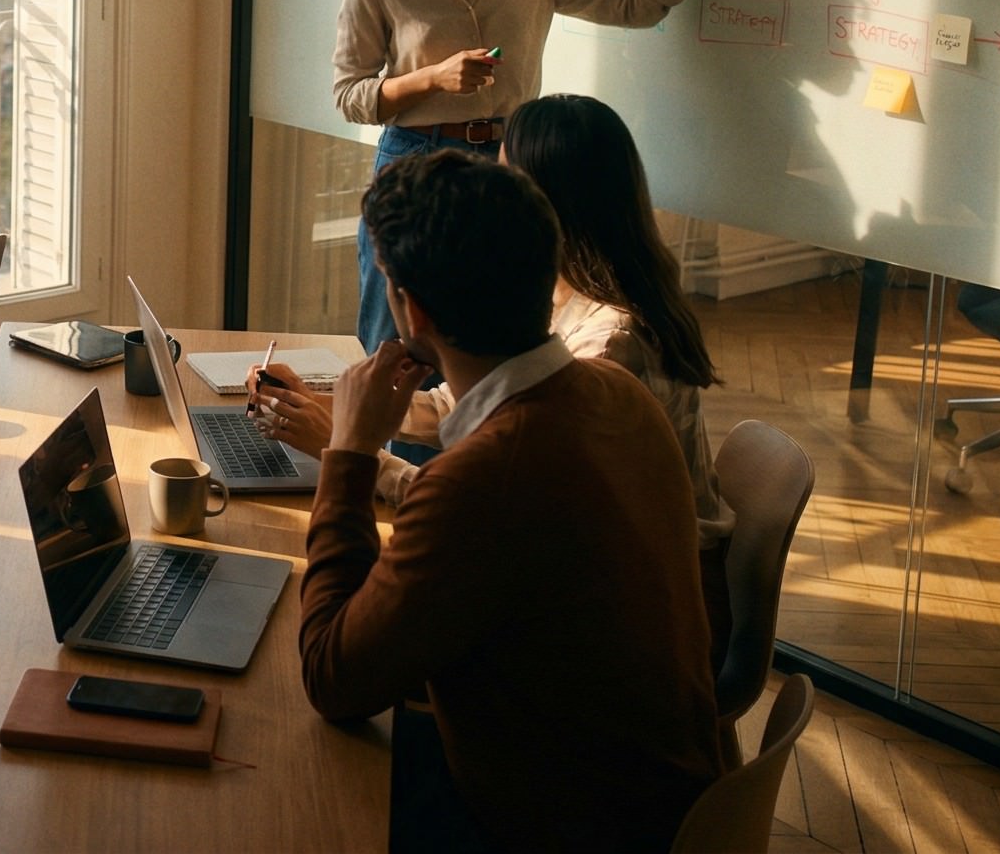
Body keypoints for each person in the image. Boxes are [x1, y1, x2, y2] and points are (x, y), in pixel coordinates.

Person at [297, 149, 722, 853]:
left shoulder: (481, 479)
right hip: (660, 803)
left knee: (292, 779)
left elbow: (330, 678)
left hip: (559, 828)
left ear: (413, 311)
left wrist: (348, 455)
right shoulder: (621, 394)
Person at [332, 0, 764, 349]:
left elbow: (634, 4)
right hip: (414, 162)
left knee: (499, 338)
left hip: (509, 164)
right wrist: (433, 78)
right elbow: (350, 95)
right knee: (398, 343)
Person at [251, 93, 735, 548]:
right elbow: (469, 406)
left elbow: (497, 517)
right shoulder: (573, 296)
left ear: (545, 204)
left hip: (653, 585)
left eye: (502, 179)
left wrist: (352, 453)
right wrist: (322, 406)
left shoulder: (608, 347)